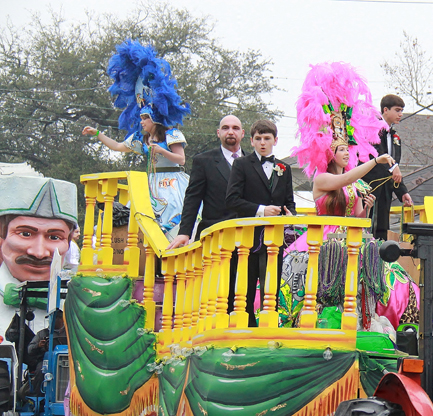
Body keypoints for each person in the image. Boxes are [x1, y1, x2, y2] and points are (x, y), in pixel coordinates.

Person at [83, 41, 191, 242]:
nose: (141, 122)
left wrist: (161, 151)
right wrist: (97, 133)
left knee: (174, 219)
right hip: (150, 185)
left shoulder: (172, 134)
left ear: (155, 119)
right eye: (140, 118)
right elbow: (117, 146)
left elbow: (181, 160)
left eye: (145, 118)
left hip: (173, 184)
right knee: (141, 220)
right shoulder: (141, 140)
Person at [224, 119, 296, 327]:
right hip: (249, 238)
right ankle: (245, 328)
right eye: (258, 139)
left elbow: (289, 202)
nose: (263, 143)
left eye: (267, 138)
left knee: (270, 285)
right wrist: (262, 210)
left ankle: (268, 327)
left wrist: (290, 214)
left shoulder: (284, 168)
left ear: (275, 140)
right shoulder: (241, 165)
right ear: (252, 141)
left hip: (274, 239)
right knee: (245, 286)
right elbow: (232, 200)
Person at [0, 175, 78, 333]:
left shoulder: (80, 304)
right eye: (25, 234)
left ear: (68, 243)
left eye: (54, 237)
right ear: (2, 237)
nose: (39, 253)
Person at [168, 115, 245, 249]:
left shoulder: (253, 162)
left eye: (235, 128)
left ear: (242, 133)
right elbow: (193, 198)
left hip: (248, 237)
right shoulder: (203, 161)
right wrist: (184, 232)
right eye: (225, 128)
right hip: (214, 235)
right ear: (218, 132)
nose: (230, 132)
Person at [362, 94, 413, 240]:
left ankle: (381, 259)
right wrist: (393, 168)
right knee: (369, 227)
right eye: (397, 110)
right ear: (385, 110)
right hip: (370, 186)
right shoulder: (372, 130)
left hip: (386, 190)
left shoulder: (395, 137)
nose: (400, 114)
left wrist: (402, 192)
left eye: (402, 110)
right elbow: (376, 158)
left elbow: (395, 169)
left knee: (383, 229)